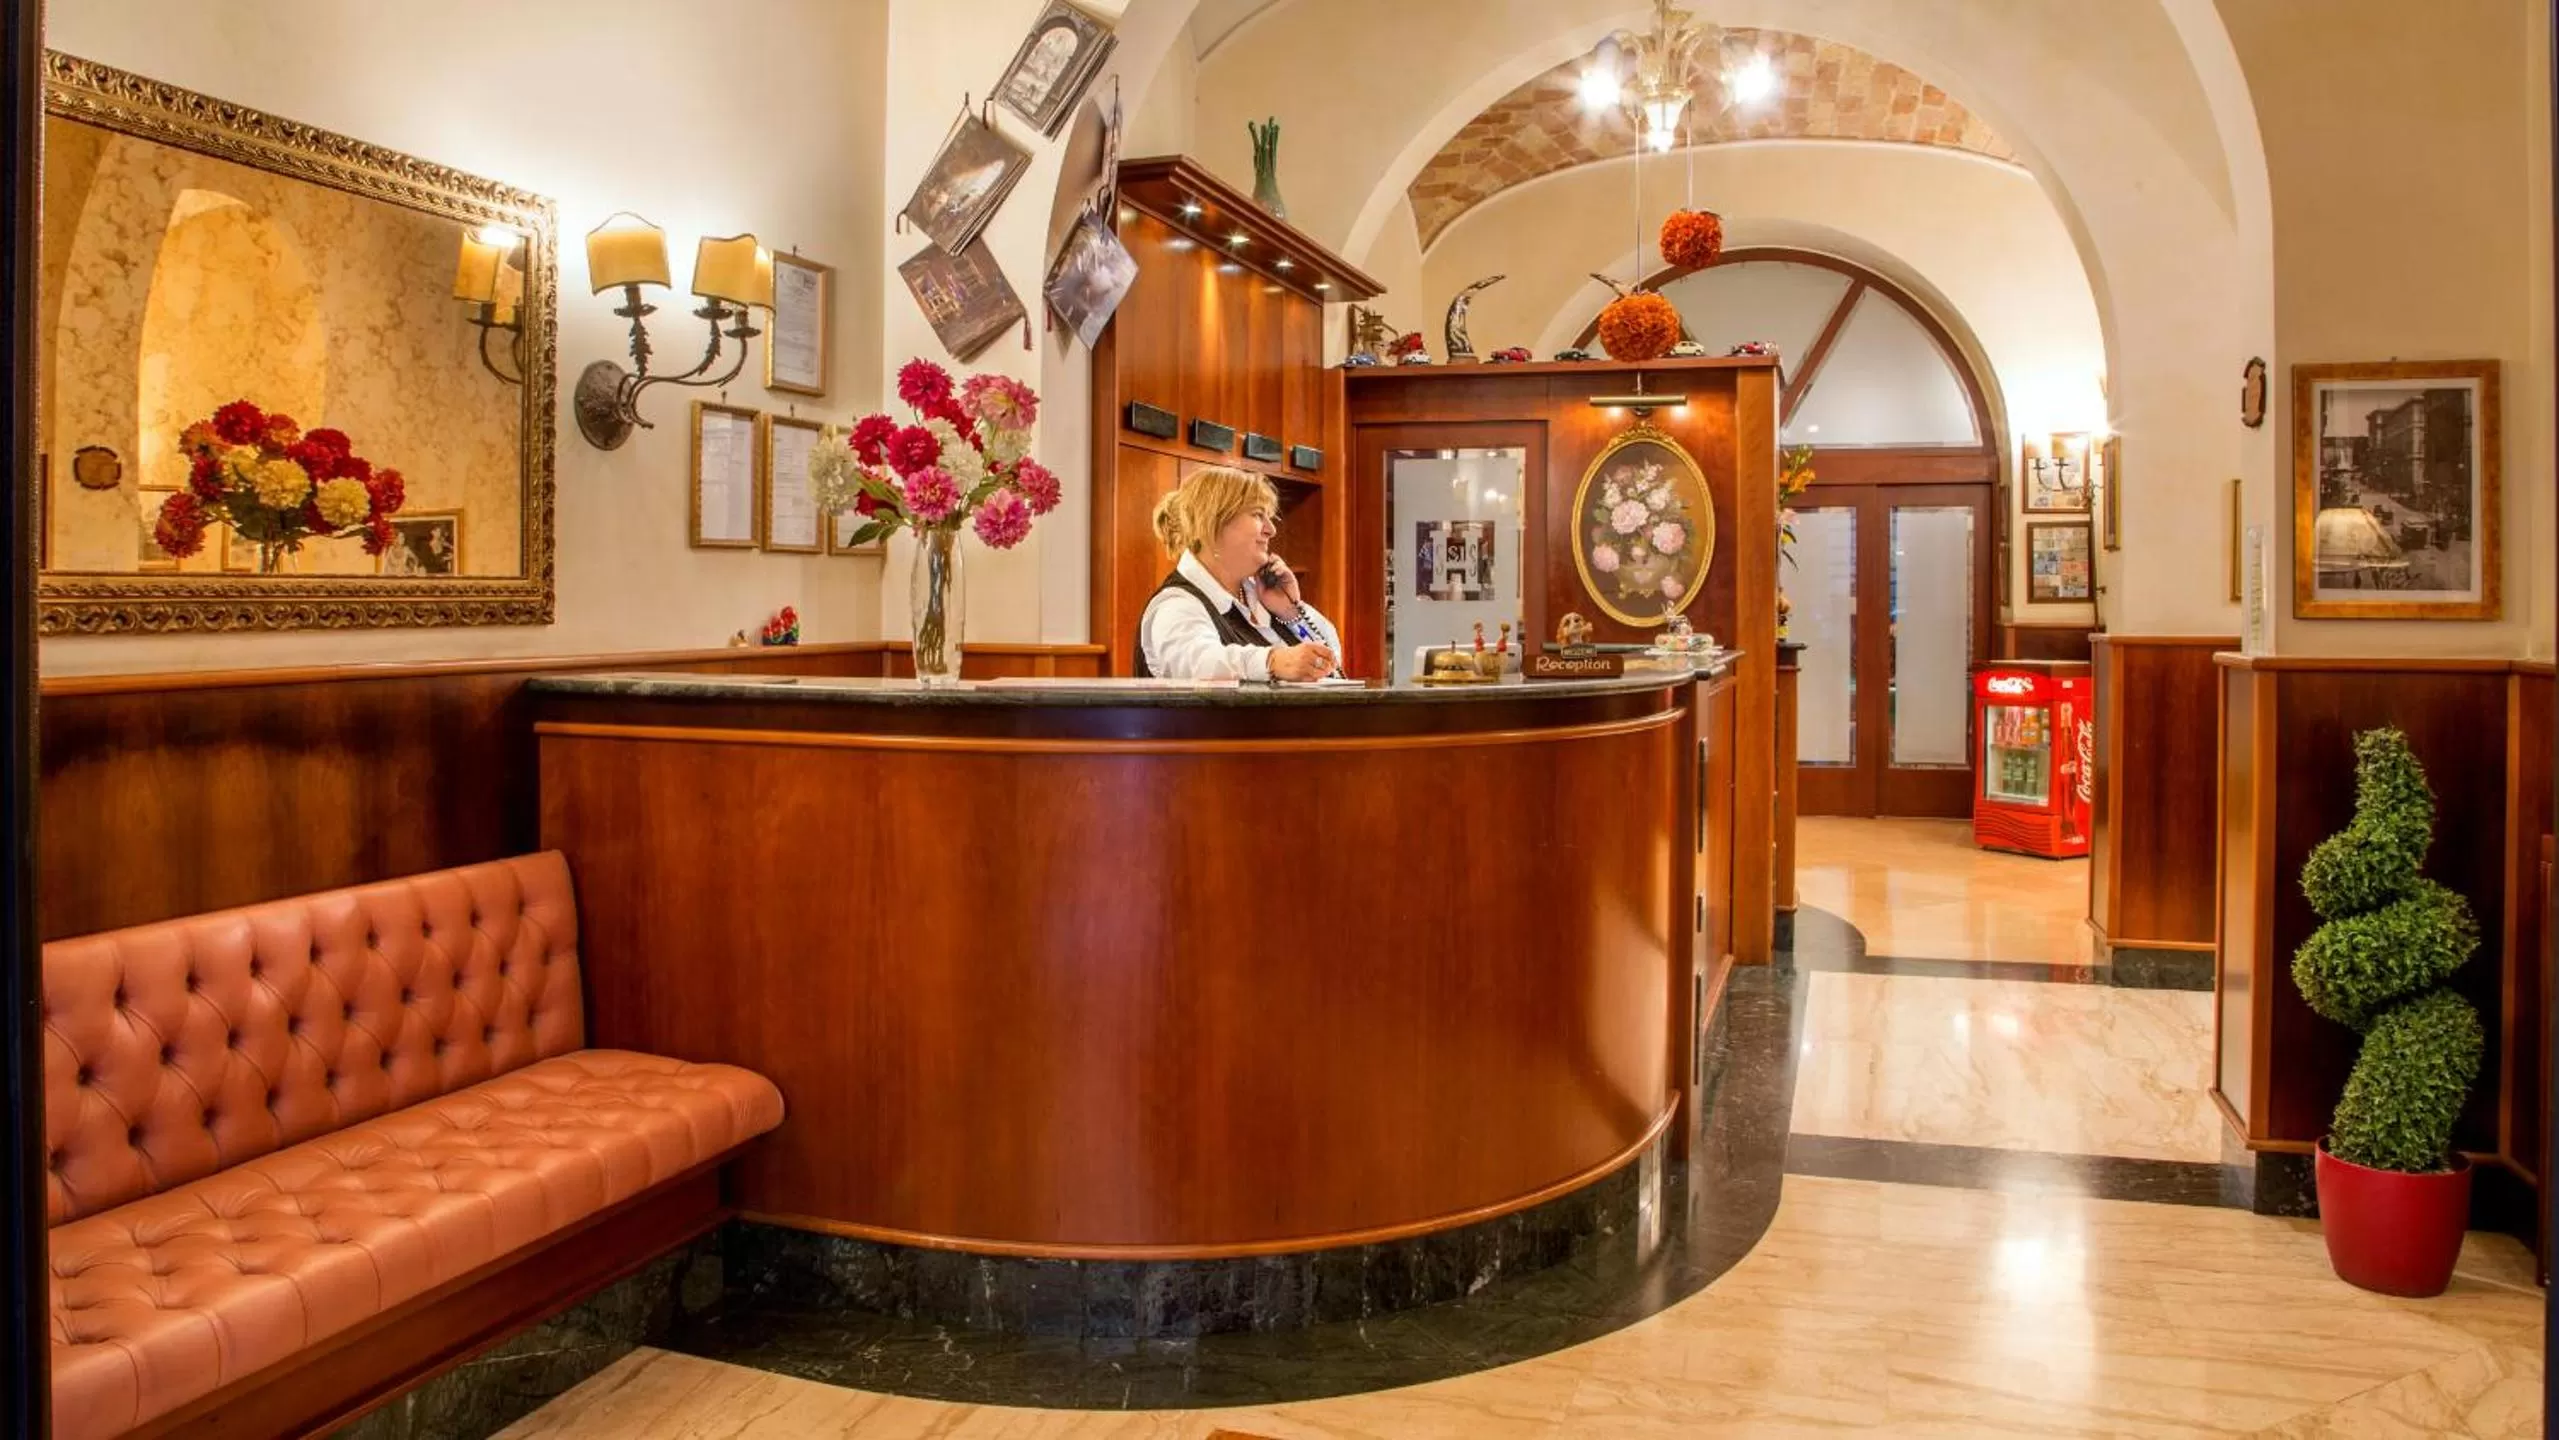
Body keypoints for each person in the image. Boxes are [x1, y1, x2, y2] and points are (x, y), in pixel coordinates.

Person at [1137, 466, 1336, 681]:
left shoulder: (1258, 597)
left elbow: (1332, 662)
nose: (1271, 530)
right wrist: (1273, 661)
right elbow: (1200, 663)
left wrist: (1290, 612)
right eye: (1258, 514)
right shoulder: (1176, 605)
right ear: (1214, 522)